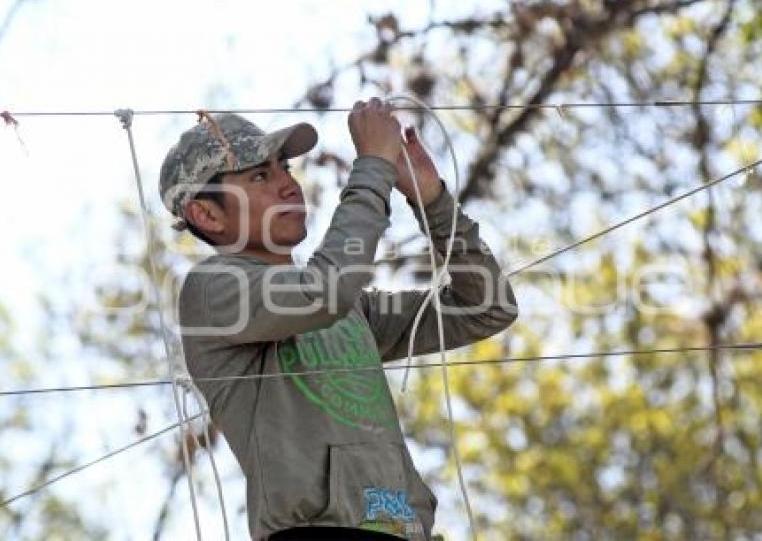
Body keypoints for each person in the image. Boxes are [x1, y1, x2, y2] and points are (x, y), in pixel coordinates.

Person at [159, 98, 518, 540]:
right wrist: (373, 167)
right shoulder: (212, 290)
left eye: (285, 169)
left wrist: (433, 202)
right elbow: (325, 290)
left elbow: (487, 307)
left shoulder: (351, 309)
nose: (289, 186)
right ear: (207, 214)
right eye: (259, 175)